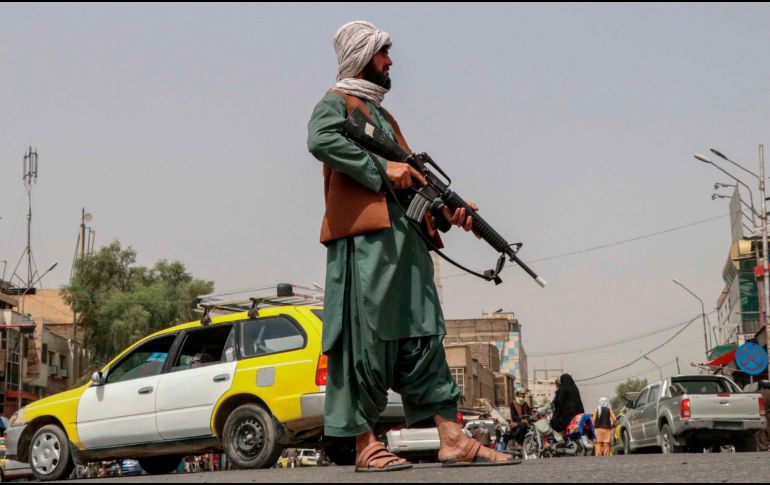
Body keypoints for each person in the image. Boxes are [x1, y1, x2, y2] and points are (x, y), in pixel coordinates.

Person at [307, 20, 516, 472]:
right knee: (364, 343)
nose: (390, 61)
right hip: (367, 248)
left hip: (407, 248)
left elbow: (411, 183)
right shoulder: (336, 104)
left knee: (423, 337)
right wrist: (381, 166)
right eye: (383, 53)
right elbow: (320, 140)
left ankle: (453, 438)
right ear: (363, 57)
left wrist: (448, 213)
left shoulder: (384, 118)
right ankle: (365, 444)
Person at [549, 374, 585, 439]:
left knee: (553, 423)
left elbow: (558, 402)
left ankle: (560, 439)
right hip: (579, 414)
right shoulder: (575, 388)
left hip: (567, 416)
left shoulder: (563, 389)